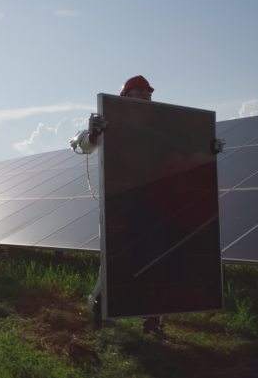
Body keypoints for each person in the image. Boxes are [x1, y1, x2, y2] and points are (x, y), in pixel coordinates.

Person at [70, 75, 165, 335]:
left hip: (154, 203)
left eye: (148, 93)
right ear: (125, 96)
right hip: (120, 203)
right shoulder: (108, 120)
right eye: (139, 92)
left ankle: (152, 321)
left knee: (154, 261)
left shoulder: (160, 125)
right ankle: (101, 312)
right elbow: (82, 145)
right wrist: (93, 132)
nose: (146, 97)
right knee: (114, 260)